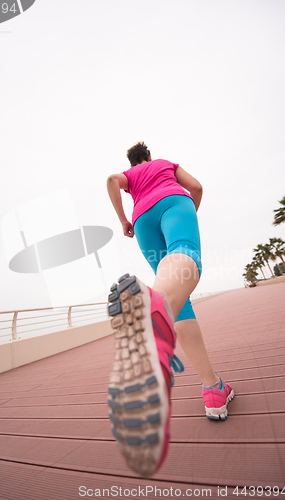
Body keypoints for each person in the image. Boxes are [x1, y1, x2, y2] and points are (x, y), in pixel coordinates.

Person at [106, 142, 234, 477]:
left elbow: (110, 180)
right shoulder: (163, 163)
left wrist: (123, 220)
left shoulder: (130, 177)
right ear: (148, 157)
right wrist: (190, 208)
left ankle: (213, 389)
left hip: (142, 219)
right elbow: (197, 187)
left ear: (132, 162)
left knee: (179, 296)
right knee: (185, 255)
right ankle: (151, 307)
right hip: (173, 203)